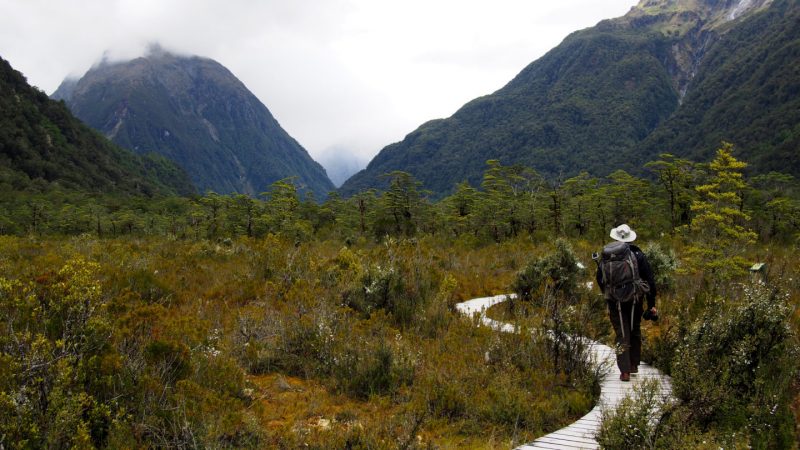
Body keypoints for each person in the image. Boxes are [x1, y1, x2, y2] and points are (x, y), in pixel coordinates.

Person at [596, 224, 657, 382]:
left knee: (621, 333)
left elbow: (600, 279)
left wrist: (608, 293)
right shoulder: (638, 254)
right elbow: (650, 280)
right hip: (635, 299)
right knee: (634, 328)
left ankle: (624, 372)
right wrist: (651, 304)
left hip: (614, 300)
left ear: (615, 237)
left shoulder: (607, 256)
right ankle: (634, 365)